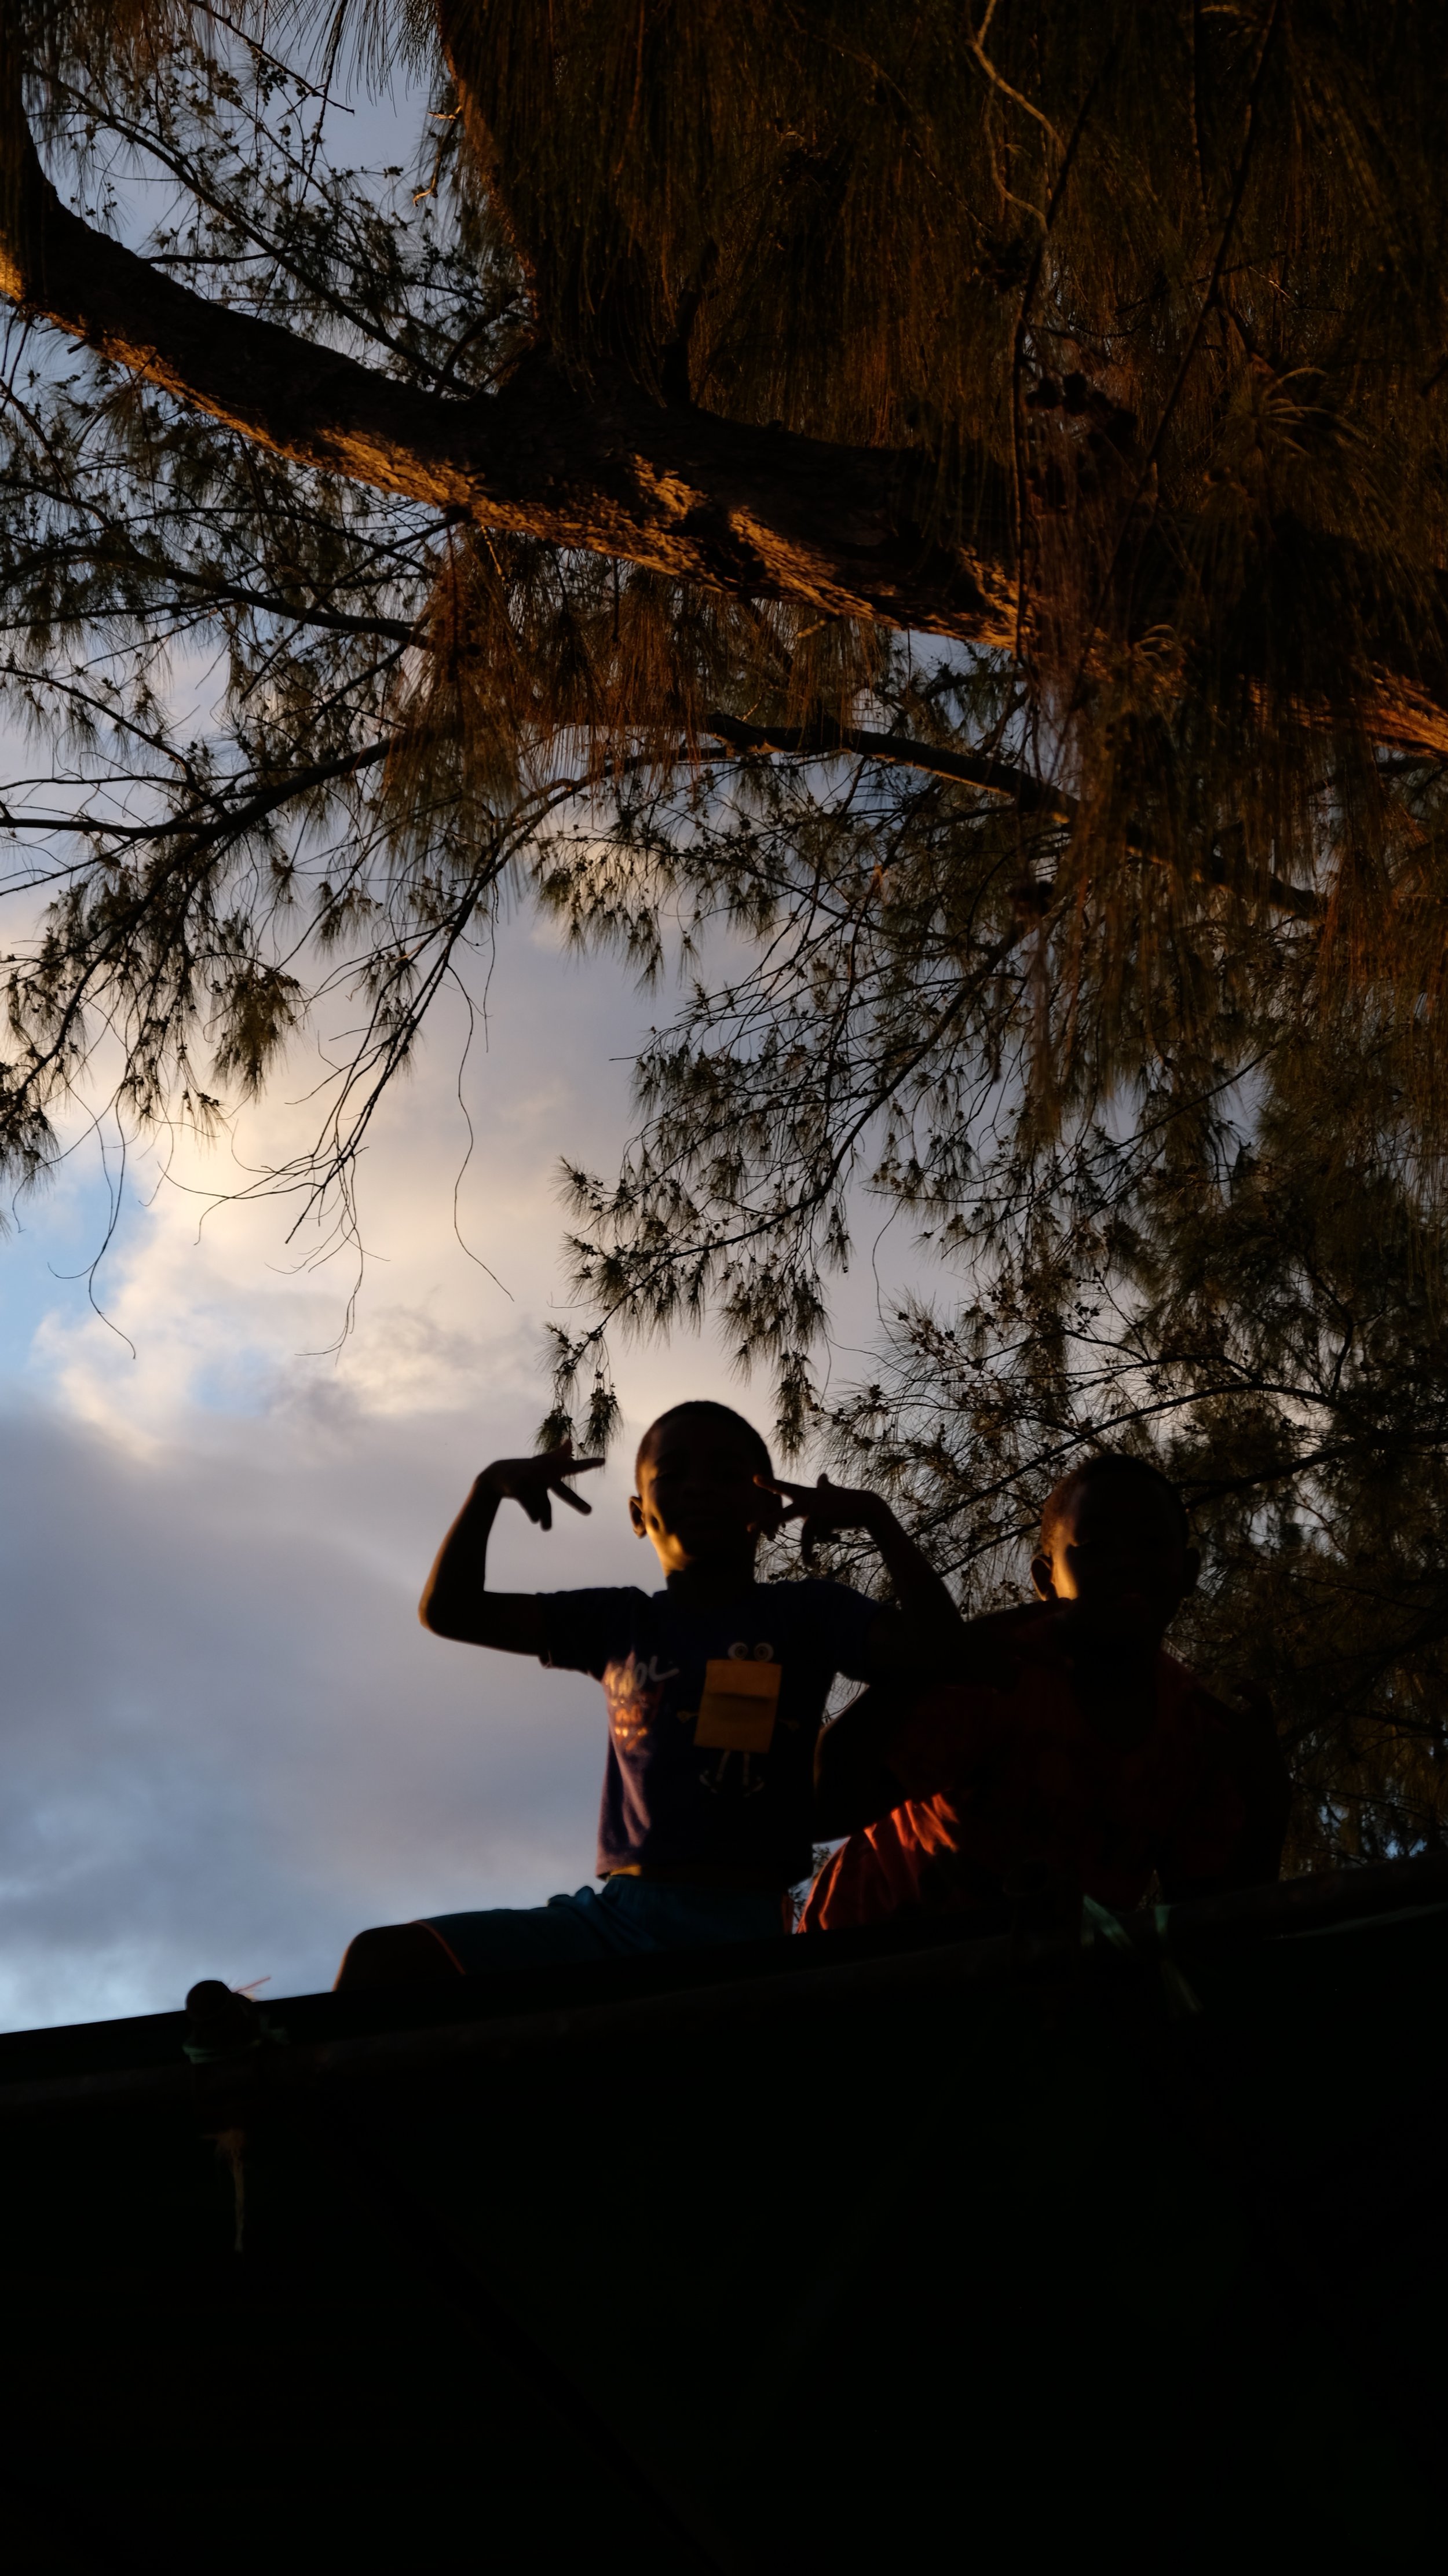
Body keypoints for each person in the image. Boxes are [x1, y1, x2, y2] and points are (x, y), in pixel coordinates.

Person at [336, 1399, 978, 1987]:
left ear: (769, 1510)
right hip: (617, 1919)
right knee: (385, 1959)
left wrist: (877, 1519)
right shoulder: (620, 1623)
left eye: (727, 1473)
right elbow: (452, 1611)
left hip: (743, 1922)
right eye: (672, 1473)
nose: (698, 1486)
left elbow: (942, 1654)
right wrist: (486, 1492)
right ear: (639, 1514)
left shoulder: (808, 1613)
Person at [799, 1452, 1290, 1936]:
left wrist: (1267, 1801)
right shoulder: (995, 1671)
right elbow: (823, 1809)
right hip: (865, 1964)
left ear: (1187, 1573)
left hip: (1039, 1996)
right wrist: (930, 1663)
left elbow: (1212, 1922)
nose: (1125, 1563)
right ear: (1044, 1579)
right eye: (1095, 1545)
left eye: (1151, 1543)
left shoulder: (1194, 1732)